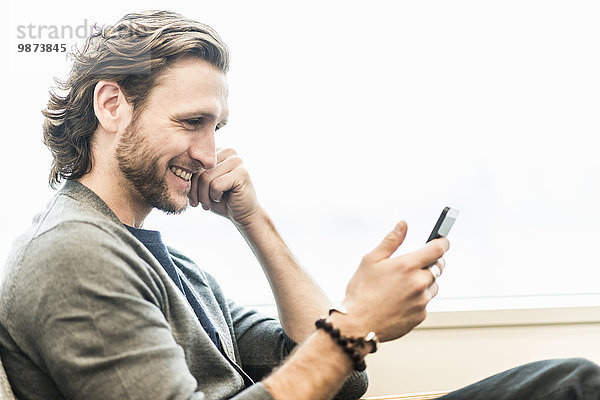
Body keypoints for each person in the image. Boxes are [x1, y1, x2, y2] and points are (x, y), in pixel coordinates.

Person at [0, 10, 598, 400]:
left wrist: (254, 223)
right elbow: (338, 349)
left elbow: (339, 378)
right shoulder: (72, 254)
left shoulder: (164, 261)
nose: (210, 154)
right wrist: (355, 326)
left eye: (218, 126)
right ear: (112, 106)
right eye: (191, 123)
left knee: (574, 381)